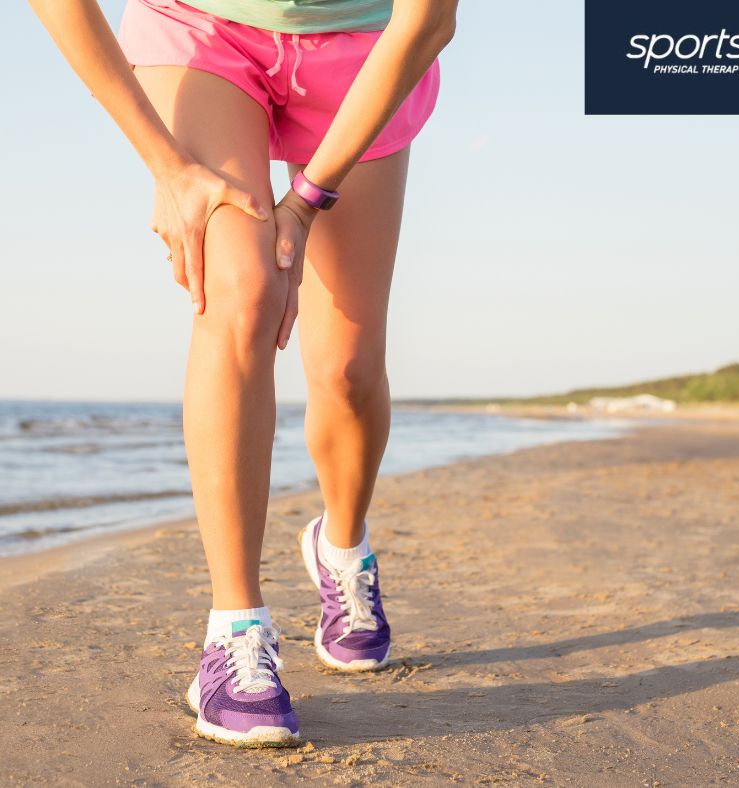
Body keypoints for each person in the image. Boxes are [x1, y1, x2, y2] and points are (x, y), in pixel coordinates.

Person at [29, 0, 457, 747]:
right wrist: (166, 166)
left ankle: (343, 545)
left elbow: (428, 21)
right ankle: (234, 631)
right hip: (202, 28)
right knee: (245, 289)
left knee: (349, 368)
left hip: (360, 46)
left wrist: (307, 200)